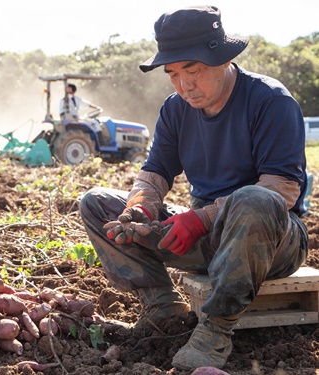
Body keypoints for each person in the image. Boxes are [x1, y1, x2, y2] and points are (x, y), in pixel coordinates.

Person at [79, 5, 308, 371]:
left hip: (271, 237)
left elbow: (281, 189)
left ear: (222, 60)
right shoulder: (175, 109)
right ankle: (162, 305)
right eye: (172, 74)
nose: (184, 84)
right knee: (95, 202)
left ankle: (215, 332)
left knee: (254, 198)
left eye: (193, 70)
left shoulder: (270, 101)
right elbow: (154, 172)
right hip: (206, 236)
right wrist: (139, 209)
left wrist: (202, 218)